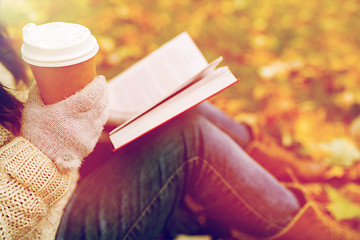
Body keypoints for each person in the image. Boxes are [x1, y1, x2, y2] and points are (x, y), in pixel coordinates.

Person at [0, 23, 358, 240]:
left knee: (175, 107)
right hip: (51, 228)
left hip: (59, 188)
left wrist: (83, 122)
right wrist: (48, 145)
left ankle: (291, 181)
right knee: (188, 140)